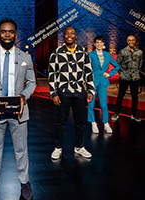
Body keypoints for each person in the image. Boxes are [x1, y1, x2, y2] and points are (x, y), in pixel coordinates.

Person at [0, 18, 36, 200]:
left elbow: (32, 83)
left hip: (18, 112)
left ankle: (25, 182)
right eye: (4, 31)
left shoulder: (25, 58)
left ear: (16, 35)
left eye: (10, 32)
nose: (7, 34)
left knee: (21, 149)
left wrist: (23, 96)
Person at [48, 26, 95, 160]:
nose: (69, 35)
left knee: (80, 122)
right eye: (67, 33)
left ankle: (79, 147)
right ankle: (58, 147)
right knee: (60, 122)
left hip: (80, 92)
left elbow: (89, 72)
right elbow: (52, 74)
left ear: (75, 36)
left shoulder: (83, 52)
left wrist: (90, 90)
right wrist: (54, 93)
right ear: (64, 36)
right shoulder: (56, 53)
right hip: (63, 92)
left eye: (72, 33)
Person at [88, 36, 120, 133]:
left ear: (103, 44)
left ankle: (106, 123)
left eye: (101, 42)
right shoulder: (91, 54)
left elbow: (117, 66)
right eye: (97, 42)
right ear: (94, 44)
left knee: (103, 104)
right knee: (91, 104)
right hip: (92, 81)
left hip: (103, 81)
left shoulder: (107, 54)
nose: (99, 44)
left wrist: (109, 74)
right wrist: (87, 80)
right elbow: (87, 68)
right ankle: (93, 123)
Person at [111, 35, 143, 123]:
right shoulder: (123, 52)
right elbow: (118, 64)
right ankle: (116, 113)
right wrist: (122, 73)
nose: (131, 41)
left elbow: (140, 64)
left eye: (133, 40)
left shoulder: (140, 52)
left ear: (135, 41)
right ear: (127, 41)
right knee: (120, 96)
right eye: (130, 40)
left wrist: (136, 72)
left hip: (135, 78)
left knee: (135, 97)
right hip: (124, 77)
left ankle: (134, 114)